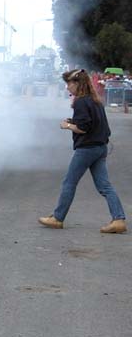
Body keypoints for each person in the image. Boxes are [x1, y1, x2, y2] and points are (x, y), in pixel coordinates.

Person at [39, 69, 126, 233]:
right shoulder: (96, 100)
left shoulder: (81, 102)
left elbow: (83, 128)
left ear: (77, 84)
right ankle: (119, 220)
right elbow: (98, 125)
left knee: (69, 182)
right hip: (101, 148)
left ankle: (57, 218)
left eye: (69, 84)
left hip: (87, 149)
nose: (67, 88)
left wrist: (67, 125)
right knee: (104, 186)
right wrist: (74, 121)